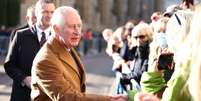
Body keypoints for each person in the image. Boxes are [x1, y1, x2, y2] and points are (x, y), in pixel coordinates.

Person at [31, 6, 122, 101]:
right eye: (71, 26)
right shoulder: (45, 60)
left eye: (79, 26)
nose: (77, 32)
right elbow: (67, 97)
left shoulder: (67, 46)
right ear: (56, 29)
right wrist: (110, 99)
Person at [4, 0, 55, 101]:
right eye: (45, 12)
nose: (49, 15)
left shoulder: (59, 38)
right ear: (36, 13)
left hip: (50, 96)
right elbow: (9, 65)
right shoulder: (20, 36)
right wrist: (24, 79)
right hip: (22, 95)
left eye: (52, 12)